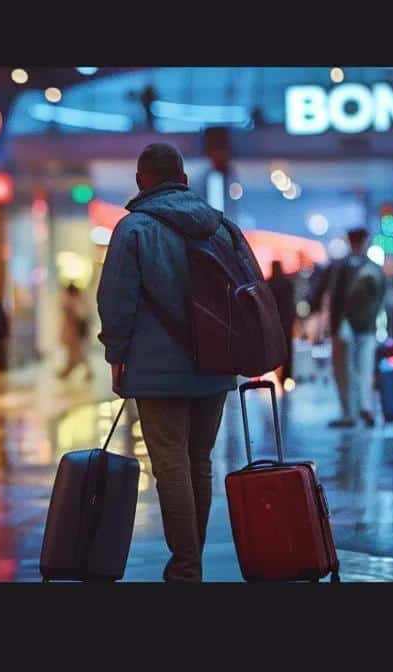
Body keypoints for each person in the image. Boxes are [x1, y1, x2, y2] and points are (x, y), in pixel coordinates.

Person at [97, 142, 240, 582]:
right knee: (200, 461)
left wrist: (116, 354)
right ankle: (190, 561)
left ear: (142, 180)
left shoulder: (133, 229)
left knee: (172, 464)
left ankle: (185, 565)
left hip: (158, 369)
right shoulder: (219, 226)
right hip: (215, 362)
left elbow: (116, 299)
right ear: (183, 178)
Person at [328, 227, 385, 428]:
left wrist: (332, 325)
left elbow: (334, 296)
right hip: (368, 326)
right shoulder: (374, 267)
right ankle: (365, 407)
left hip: (345, 325)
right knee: (365, 367)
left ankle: (348, 413)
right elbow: (383, 297)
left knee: (344, 369)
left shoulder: (341, 266)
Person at [266, 261, 299, 384]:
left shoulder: (269, 283)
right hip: (287, 321)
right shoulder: (287, 283)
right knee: (288, 349)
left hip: (274, 322)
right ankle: (287, 376)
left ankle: (275, 374)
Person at [57, 283, 92, 381]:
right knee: (75, 353)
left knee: (77, 353)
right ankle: (68, 371)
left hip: (75, 332)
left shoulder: (74, 302)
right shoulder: (77, 301)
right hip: (73, 332)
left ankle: (70, 371)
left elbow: (80, 317)